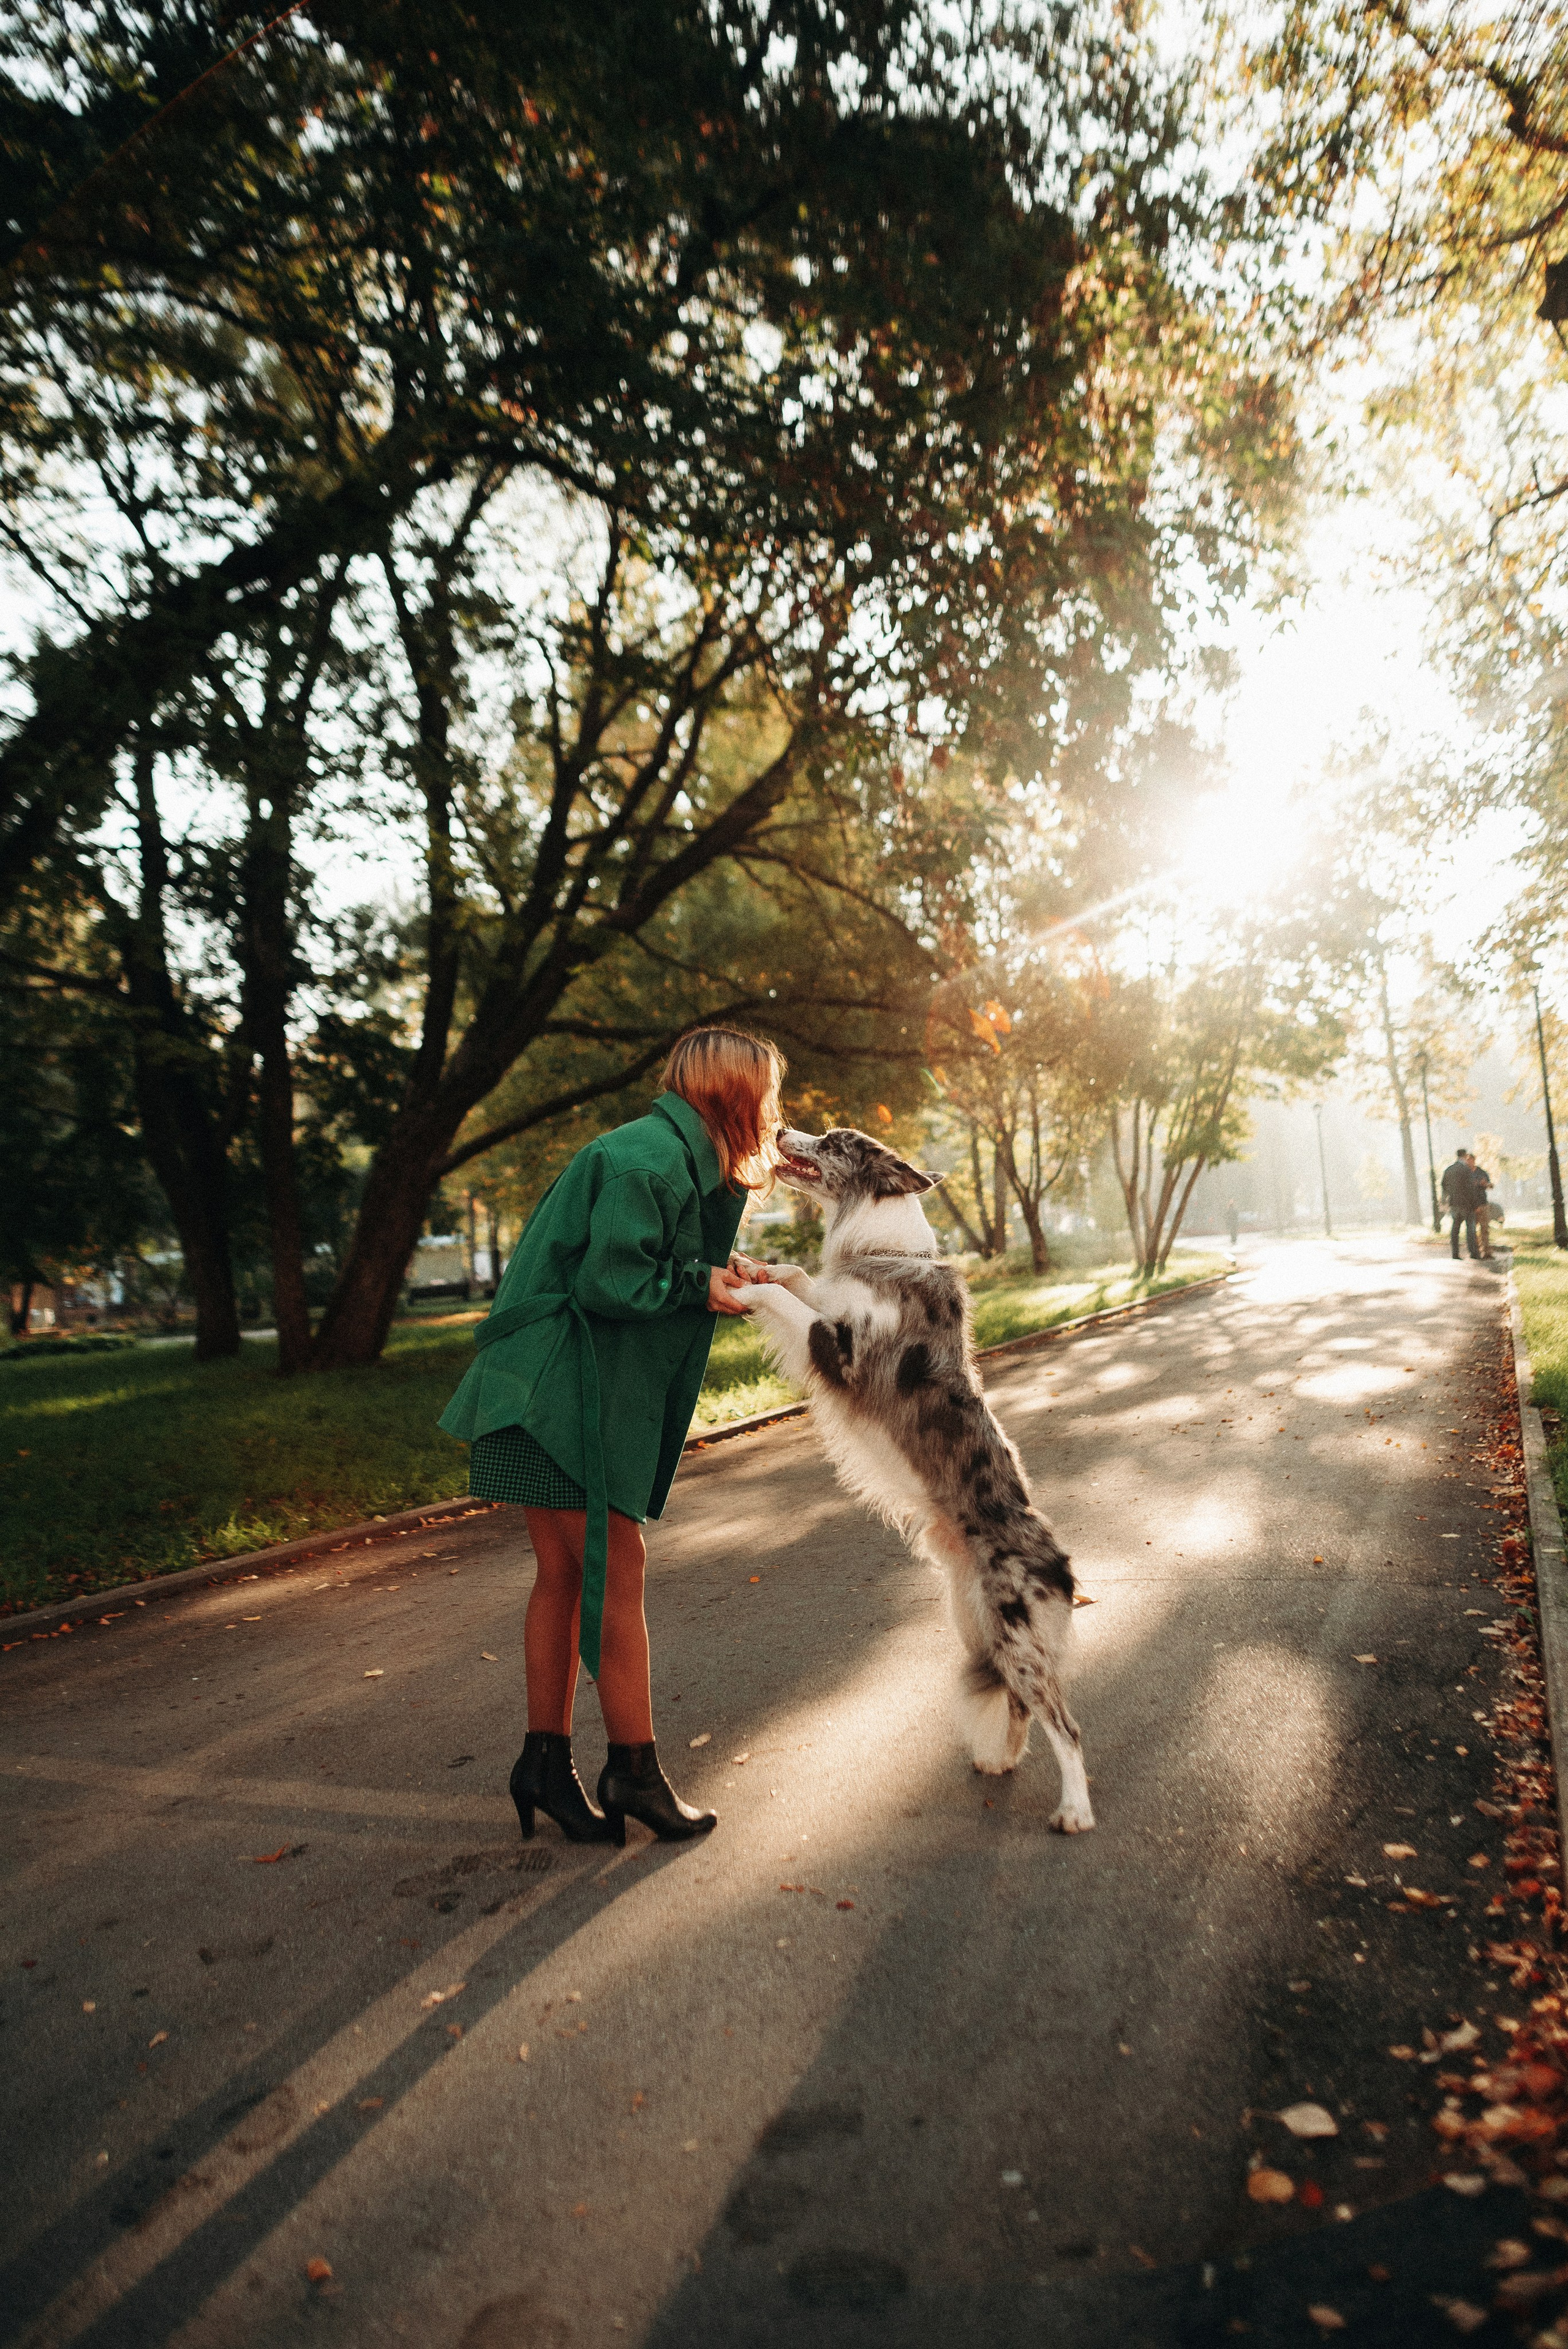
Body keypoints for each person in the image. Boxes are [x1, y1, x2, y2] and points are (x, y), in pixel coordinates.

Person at [438, 1026, 784, 1847]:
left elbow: (655, 1262)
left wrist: (723, 1275)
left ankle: (544, 1764)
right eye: (767, 1093)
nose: (774, 1111)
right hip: (554, 1394)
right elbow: (612, 1280)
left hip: (542, 1390)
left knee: (564, 1576)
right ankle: (632, 1768)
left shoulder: (665, 1152)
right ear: (733, 1096)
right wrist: (698, 1282)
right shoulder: (653, 1159)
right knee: (611, 1567)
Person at [1440, 1147, 1479, 1261]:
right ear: (1465, 1156)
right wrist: (1475, 1204)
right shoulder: (1467, 1170)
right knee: (1470, 1229)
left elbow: (1444, 1187)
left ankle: (1455, 1253)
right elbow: (1471, 1188)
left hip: (1454, 1203)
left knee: (1455, 1229)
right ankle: (1473, 1253)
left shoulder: (1449, 1170)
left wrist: (1444, 1201)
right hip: (1467, 1204)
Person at [1468, 1150, 1496, 1260]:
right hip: (1471, 1206)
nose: (1469, 1162)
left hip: (1483, 1204)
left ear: (1474, 1161)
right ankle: (1476, 1252)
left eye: (1471, 1160)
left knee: (1485, 1229)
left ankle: (1487, 1252)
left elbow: (1490, 1185)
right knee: (1472, 1230)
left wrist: (1486, 1184)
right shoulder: (1466, 1174)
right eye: (1467, 1161)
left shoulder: (1481, 1172)